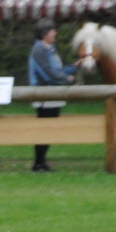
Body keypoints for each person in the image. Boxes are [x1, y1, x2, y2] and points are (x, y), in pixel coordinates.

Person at [27, 19, 77, 173]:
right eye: (52, 31)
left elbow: (58, 70)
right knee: (44, 129)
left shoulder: (50, 50)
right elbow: (48, 74)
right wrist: (65, 79)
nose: (55, 33)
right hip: (45, 96)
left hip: (52, 96)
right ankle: (38, 163)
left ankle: (42, 162)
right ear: (44, 34)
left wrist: (74, 68)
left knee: (49, 130)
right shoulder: (39, 50)